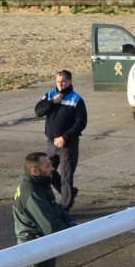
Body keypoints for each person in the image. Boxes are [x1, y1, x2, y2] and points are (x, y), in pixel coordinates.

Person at [34, 69, 87, 211]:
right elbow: (38, 111)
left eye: (63, 81)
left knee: (66, 178)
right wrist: (53, 102)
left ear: (70, 81)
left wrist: (65, 137)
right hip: (51, 144)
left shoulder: (77, 100)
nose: (61, 84)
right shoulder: (50, 95)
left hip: (68, 145)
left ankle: (65, 207)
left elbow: (81, 123)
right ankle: (69, 194)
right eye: (58, 82)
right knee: (48, 173)